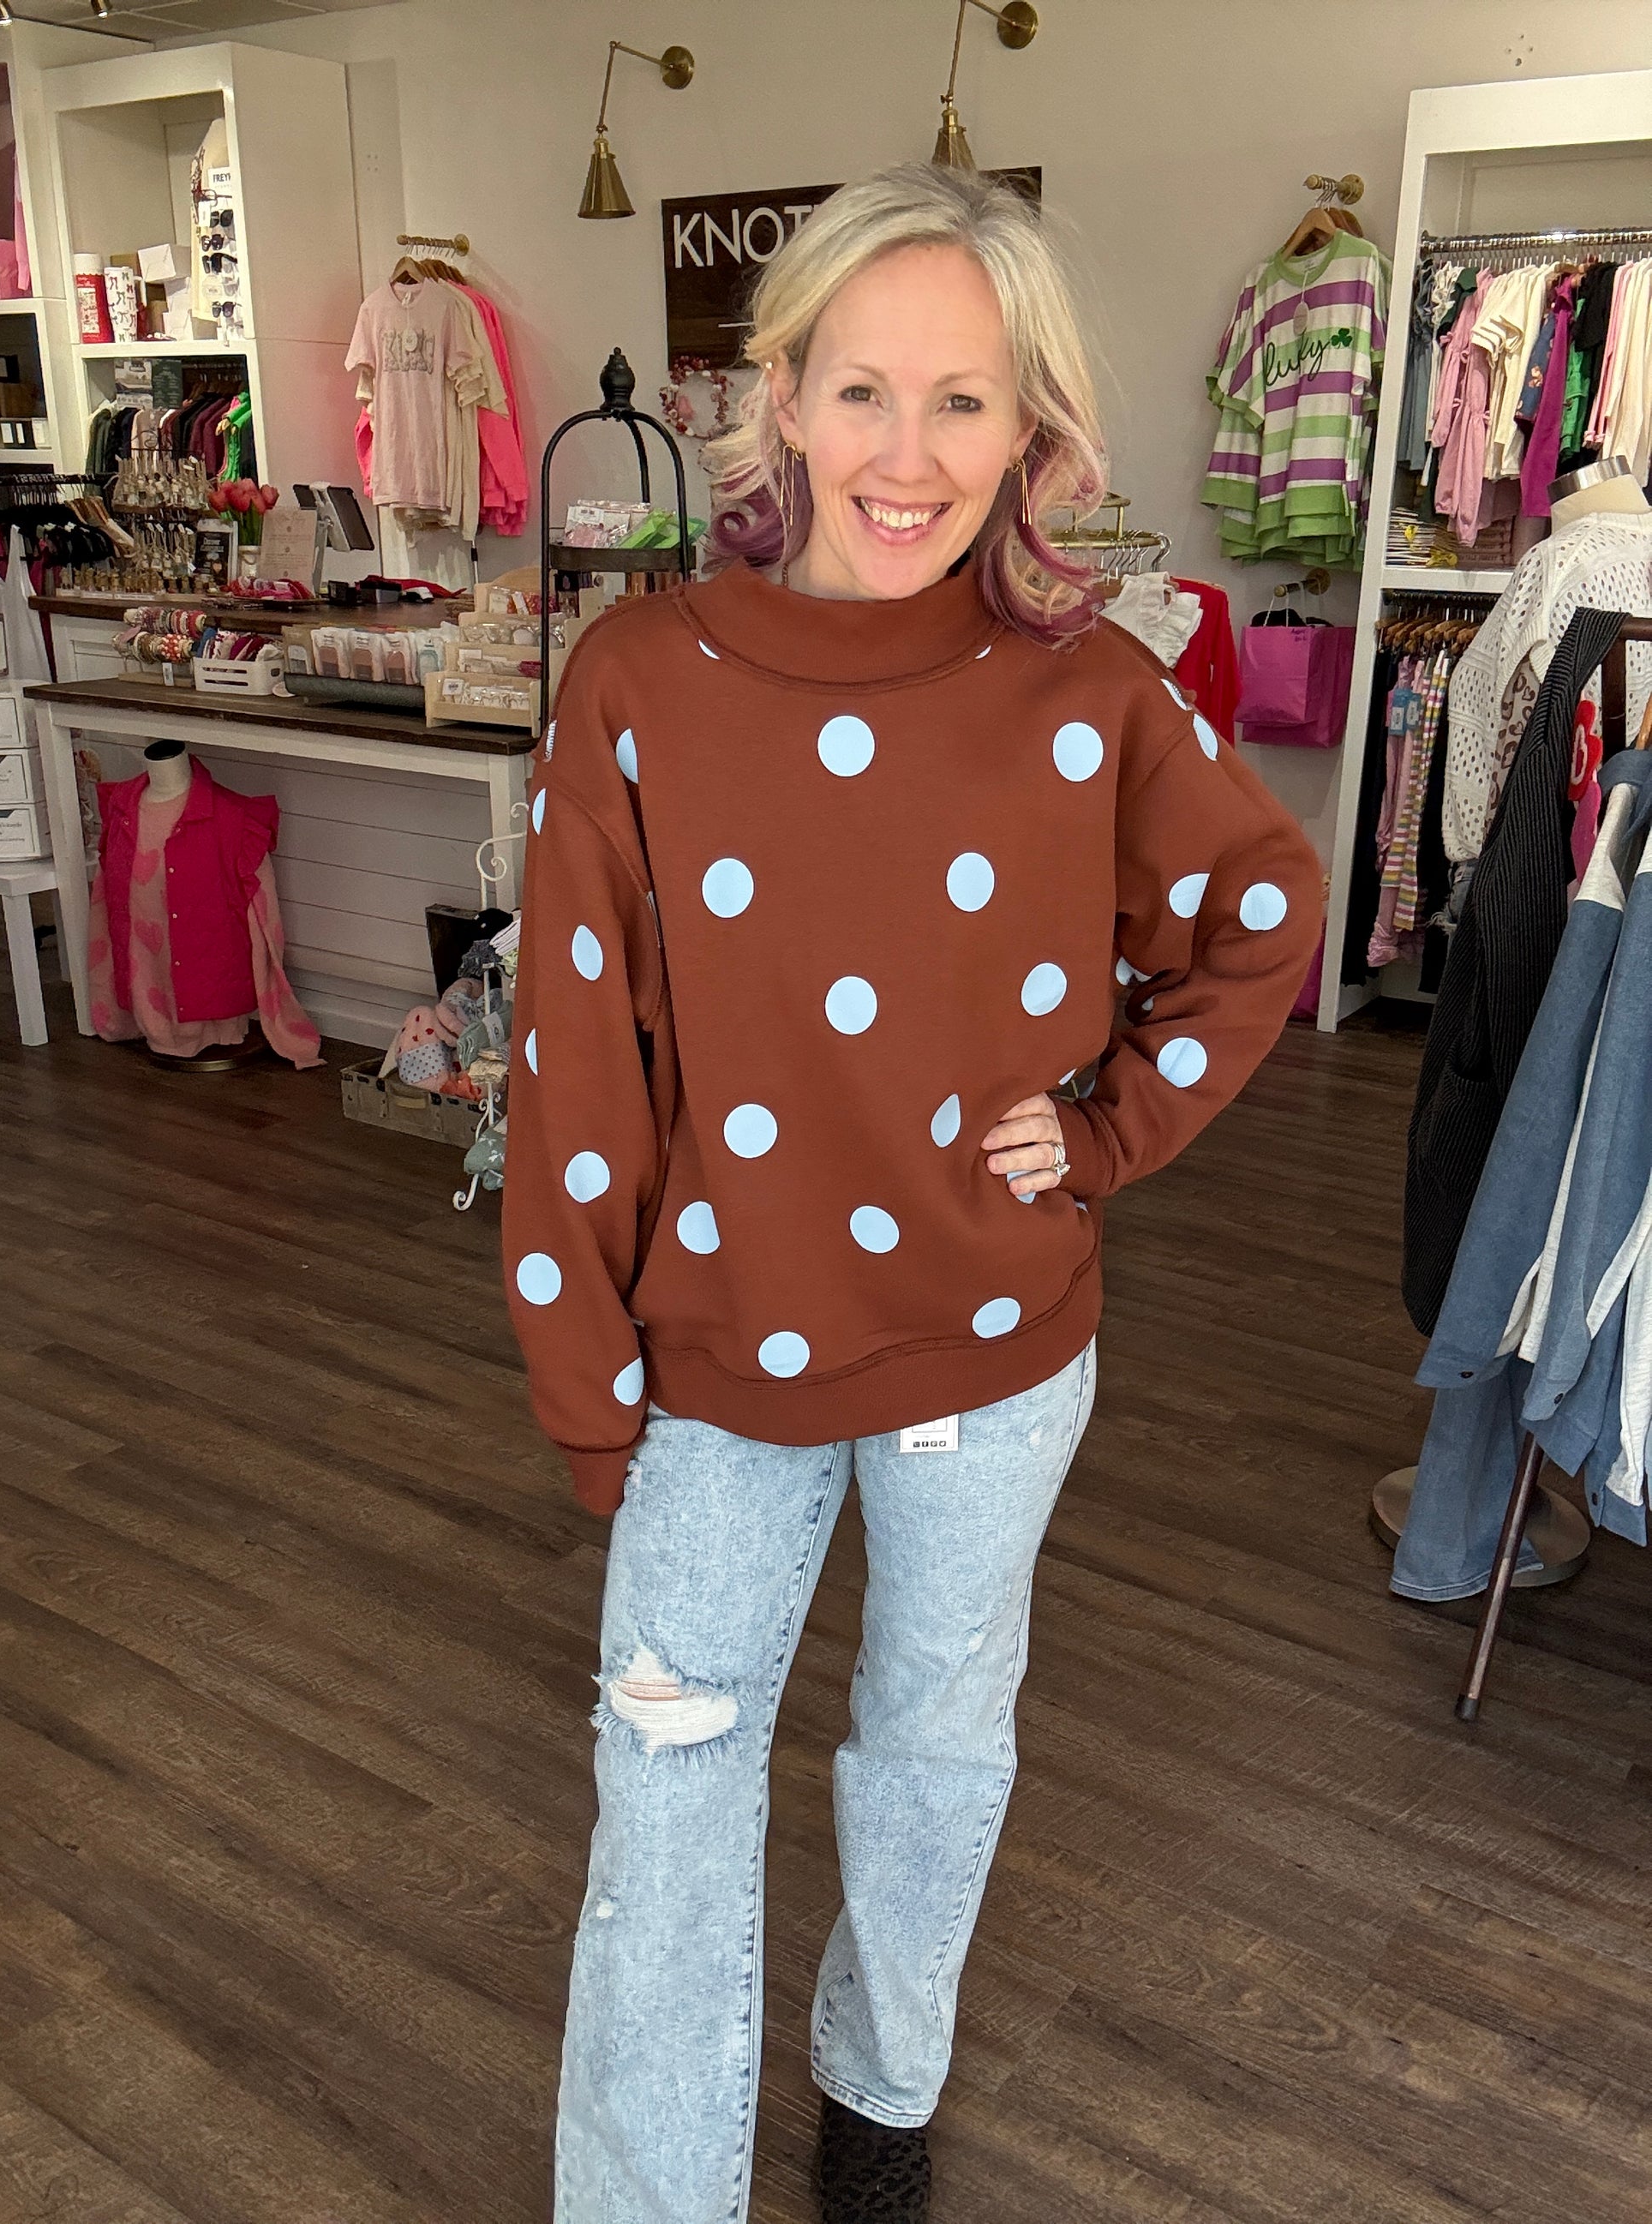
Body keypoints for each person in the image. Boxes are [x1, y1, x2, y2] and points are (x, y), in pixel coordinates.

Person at [504, 162, 1321, 2224]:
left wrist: (1111, 1127)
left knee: (935, 1743)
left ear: (1028, 426)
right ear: (778, 394)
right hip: (713, 1359)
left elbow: (1259, 910)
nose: (908, 453)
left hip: (994, 1345)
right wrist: (582, 1368)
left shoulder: (1089, 692)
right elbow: (578, 1051)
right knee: (666, 1785)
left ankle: (881, 2087)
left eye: (965, 400)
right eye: (862, 389)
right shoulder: (639, 675)